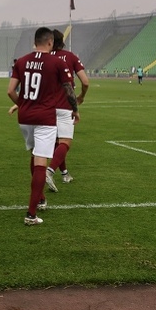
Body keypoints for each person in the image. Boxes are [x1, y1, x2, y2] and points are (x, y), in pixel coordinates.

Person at [7, 27, 78, 226]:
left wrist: (22, 104)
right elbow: (69, 90)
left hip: (25, 117)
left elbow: (10, 90)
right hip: (45, 118)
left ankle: (40, 199)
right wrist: (76, 109)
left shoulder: (21, 61)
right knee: (41, 162)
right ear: (50, 42)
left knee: (34, 155)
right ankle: (31, 214)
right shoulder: (57, 62)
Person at [45, 29, 89, 192]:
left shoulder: (45, 58)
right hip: (64, 105)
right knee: (65, 142)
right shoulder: (70, 57)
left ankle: (64, 173)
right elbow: (85, 81)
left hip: (46, 106)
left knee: (56, 143)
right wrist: (81, 96)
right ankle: (49, 172)